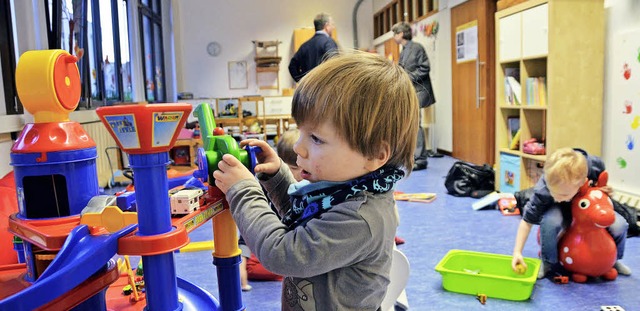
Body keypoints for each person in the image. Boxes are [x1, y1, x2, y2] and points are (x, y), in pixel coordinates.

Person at [214, 51, 418, 309]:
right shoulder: (345, 188)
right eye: (301, 132)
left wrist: (242, 190)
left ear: (376, 154)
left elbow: (282, 253)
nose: (299, 148)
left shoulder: (359, 218)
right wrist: (277, 178)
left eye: (317, 139)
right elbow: (305, 219)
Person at [511, 148, 631, 279]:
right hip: (559, 208)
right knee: (550, 221)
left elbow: (600, 188)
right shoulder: (544, 191)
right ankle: (548, 261)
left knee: (620, 225)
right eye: (553, 192)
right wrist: (517, 252)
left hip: (585, 206)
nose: (556, 196)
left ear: (582, 183)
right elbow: (526, 221)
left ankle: (614, 260)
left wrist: (603, 189)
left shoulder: (595, 167)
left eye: (563, 194)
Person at [238, 129, 300, 291]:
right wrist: (241, 259)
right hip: (274, 245)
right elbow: (246, 234)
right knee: (251, 264)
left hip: (287, 249)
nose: (299, 174)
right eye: (291, 168)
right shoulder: (270, 183)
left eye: (303, 168)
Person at [392, 22, 437, 171]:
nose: (393, 37)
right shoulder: (404, 49)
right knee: (411, 124)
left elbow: (425, 67)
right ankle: (413, 157)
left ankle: (421, 159)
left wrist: (407, 77)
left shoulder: (416, 47)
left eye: (395, 34)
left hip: (419, 90)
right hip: (412, 91)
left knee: (415, 124)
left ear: (401, 34)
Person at [288, 13, 338, 82]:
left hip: (308, 90)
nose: (333, 27)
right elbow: (335, 63)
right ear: (326, 26)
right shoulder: (329, 42)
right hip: (324, 88)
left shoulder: (305, 46)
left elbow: (292, 66)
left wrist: (301, 82)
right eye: (332, 24)